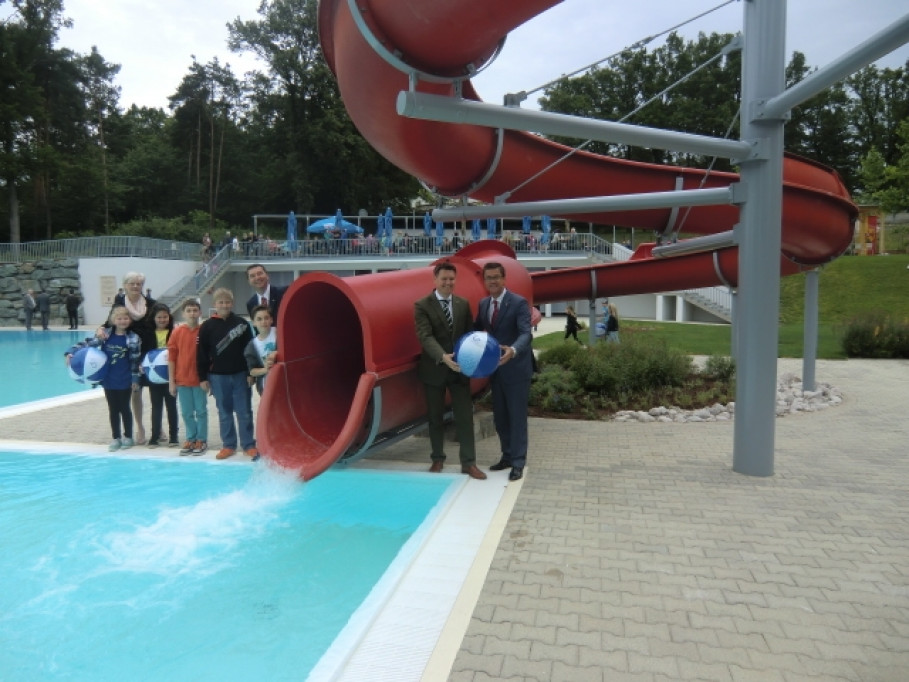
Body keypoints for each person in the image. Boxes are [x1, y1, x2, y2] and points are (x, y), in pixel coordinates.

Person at [414, 262, 486, 479]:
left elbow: (468, 335)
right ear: (435, 280)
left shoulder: (463, 304)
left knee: (465, 417)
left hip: (459, 370)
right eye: (444, 279)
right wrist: (442, 356)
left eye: (451, 279)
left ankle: (469, 463)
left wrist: (473, 359)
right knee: (435, 418)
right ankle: (437, 459)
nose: (448, 283)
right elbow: (425, 336)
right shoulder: (422, 305)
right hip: (434, 369)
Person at [474, 262, 533, 482]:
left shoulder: (518, 303)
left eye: (496, 277)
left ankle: (518, 462)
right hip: (496, 370)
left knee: (517, 418)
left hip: (516, 370)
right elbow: (476, 329)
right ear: (484, 281)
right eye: (488, 278)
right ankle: (507, 456)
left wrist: (514, 350)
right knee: (501, 418)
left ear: (504, 278)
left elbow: (526, 334)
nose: (493, 281)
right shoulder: (483, 304)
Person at [65, 306, 141, 451]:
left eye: (125, 318)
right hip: (108, 379)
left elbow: (135, 361)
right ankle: (115, 437)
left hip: (124, 379)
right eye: (119, 318)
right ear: (113, 320)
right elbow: (87, 344)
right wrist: (71, 351)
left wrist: (135, 379)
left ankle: (128, 437)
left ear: (129, 320)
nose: (122, 321)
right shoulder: (105, 336)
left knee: (125, 408)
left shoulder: (133, 338)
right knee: (113, 409)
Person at [197, 288, 257, 460]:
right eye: (221, 302)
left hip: (240, 375)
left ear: (232, 303)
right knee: (224, 412)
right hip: (217, 376)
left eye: (227, 302)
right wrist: (202, 377)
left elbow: (249, 350)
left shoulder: (242, 324)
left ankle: (248, 444)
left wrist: (250, 372)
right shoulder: (207, 327)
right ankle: (228, 445)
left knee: (244, 411)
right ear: (214, 304)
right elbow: (201, 353)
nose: (224, 305)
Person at [107, 272, 156, 445]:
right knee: (136, 391)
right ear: (125, 285)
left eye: (139, 284)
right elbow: (109, 324)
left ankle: (158, 428)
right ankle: (140, 427)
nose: (136, 287)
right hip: (132, 353)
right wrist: (100, 330)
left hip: (150, 351)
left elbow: (162, 322)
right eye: (132, 284)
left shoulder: (151, 304)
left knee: (156, 392)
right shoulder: (119, 304)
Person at [167, 299, 208, 455]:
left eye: (195, 310)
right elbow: (171, 358)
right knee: (186, 412)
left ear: (200, 313)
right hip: (182, 380)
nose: (192, 313)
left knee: (201, 411)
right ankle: (191, 438)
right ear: (183, 313)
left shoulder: (204, 330)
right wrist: (172, 382)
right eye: (189, 311)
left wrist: (207, 378)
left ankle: (201, 439)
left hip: (199, 380)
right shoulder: (177, 332)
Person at [145, 303, 179, 448]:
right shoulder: (148, 334)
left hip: (171, 375)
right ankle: (155, 436)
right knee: (156, 407)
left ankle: (173, 436)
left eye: (165, 316)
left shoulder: (174, 332)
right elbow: (144, 353)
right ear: (153, 318)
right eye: (159, 317)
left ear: (169, 317)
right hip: (154, 375)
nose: (162, 319)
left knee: (171, 406)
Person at [245, 304, 277, 397]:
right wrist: (265, 369)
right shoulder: (252, 346)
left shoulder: (278, 333)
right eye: (259, 319)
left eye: (266, 318)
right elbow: (252, 371)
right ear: (253, 322)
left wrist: (276, 353)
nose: (263, 322)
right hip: (266, 387)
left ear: (271, 319)